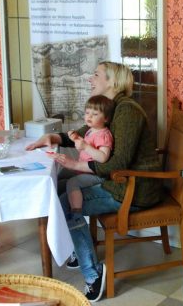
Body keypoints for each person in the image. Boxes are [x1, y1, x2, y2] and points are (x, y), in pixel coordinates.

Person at [26, 61, 163, 303]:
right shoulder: (111, 107)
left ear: (112, 82)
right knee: (57, 187)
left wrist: (76, 165)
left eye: (96, 75)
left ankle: (93, 273)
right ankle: (76, 247)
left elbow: (118, 163)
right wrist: (53, 137)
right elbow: (84, 133)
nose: (90, 78)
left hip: (133, 189)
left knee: (65, 202)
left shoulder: (127, 111)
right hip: (118, 180)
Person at [57, 94, 114, 269]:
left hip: (96, 175)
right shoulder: (90, 131)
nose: (88, 116)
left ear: (106, 118)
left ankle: (75, 212)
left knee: (72, 183)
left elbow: (103, 158)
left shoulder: (104, 135)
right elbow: (83, 146)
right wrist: (76, 138)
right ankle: (69, 237)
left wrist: (86, 146)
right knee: (60, 176)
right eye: (87, 112)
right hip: (82, 168)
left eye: (94, 114)